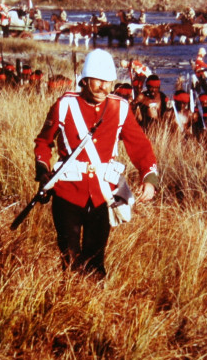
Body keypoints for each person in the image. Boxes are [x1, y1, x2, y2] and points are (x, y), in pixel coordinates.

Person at [33, 49, 158, 279]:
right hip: (67, 192)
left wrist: (148, 178)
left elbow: (140, 146)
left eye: (108, 81)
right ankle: (68, 307)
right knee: (70, 260)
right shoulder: (65, 105)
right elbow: (43, 142)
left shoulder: (119, 108)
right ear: (85, 80)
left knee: (95, 263)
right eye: (98, 81)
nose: (104, 87)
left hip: (102, 194)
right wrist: (42, 170)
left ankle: (95, 309)